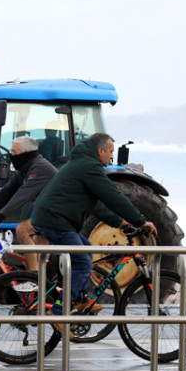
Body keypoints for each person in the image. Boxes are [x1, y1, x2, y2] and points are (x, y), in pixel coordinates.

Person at [31, 132, 157, 322]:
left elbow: (96, 204)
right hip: (56, 222)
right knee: (82, 262)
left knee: (87, 252)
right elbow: (113, 196)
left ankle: (80, 299)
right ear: (100, 150)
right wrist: (140, 221)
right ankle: (59, 313)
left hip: (55, 219)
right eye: (110, 152)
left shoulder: (82, 164)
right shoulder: (89, 167)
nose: (112, 156)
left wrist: (121, 223)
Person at [0, 136, 57, 271]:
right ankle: (41, 285)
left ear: (27, 154)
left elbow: (22, 195)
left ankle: (34, 279)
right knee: (33, 256)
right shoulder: (24, 170)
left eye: (14, 152)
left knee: (22, 229)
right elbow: (5, 194)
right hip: (45, 214)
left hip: (59, 213)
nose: (10, 156)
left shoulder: (40, 168)